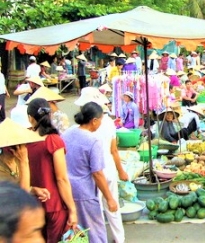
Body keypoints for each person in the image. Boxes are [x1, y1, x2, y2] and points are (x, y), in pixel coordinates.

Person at [74, 88, 128, 243]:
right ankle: (120, 238)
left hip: (93, 173)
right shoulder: (109, 122)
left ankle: (99, 239)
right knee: (113, 205)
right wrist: (121, 171)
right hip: (109, 169)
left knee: (96, 210)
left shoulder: (82, 128)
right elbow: (114, 150)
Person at [62, 102, 118, 243]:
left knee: (75, 230)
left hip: (66, 189)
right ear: (94, 121)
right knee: (95, 232)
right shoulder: (93, 140)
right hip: (84, 192)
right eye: (100, 120)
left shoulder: (68, 132)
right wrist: (110, 198)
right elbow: (97, 173)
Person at [26, 98, 78, 242]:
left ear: (30, 118)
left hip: (30, 205)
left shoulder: (22, 141)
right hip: (54, 204)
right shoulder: (54, 140)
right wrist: (72, 209)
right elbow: (61, 178)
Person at [0, 118, 51, 201]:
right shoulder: (19, 162)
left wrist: (33, 190)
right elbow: (23, 195)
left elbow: (21, 187)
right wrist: (24, 162)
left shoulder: (17, 161)